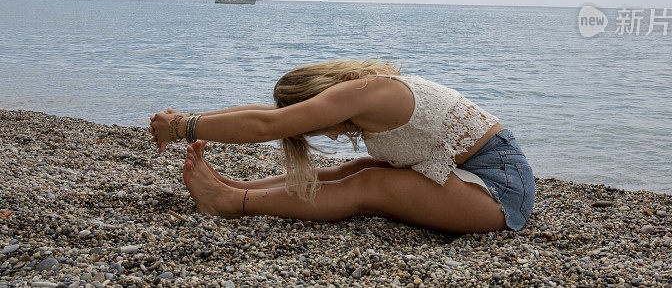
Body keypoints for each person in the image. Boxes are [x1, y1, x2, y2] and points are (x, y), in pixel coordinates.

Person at [149, 59, 535, 234]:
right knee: (356, 169)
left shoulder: (366, 93)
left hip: (500, 189)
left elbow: (268, 124)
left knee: (368, 186)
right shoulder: (361, 91)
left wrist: (183, 126)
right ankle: (235, 188)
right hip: (469, 174)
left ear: (318, 98)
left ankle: (230, 203)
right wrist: (189, 117)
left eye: (315, 123)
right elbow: (265, 113)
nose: (328, 134)